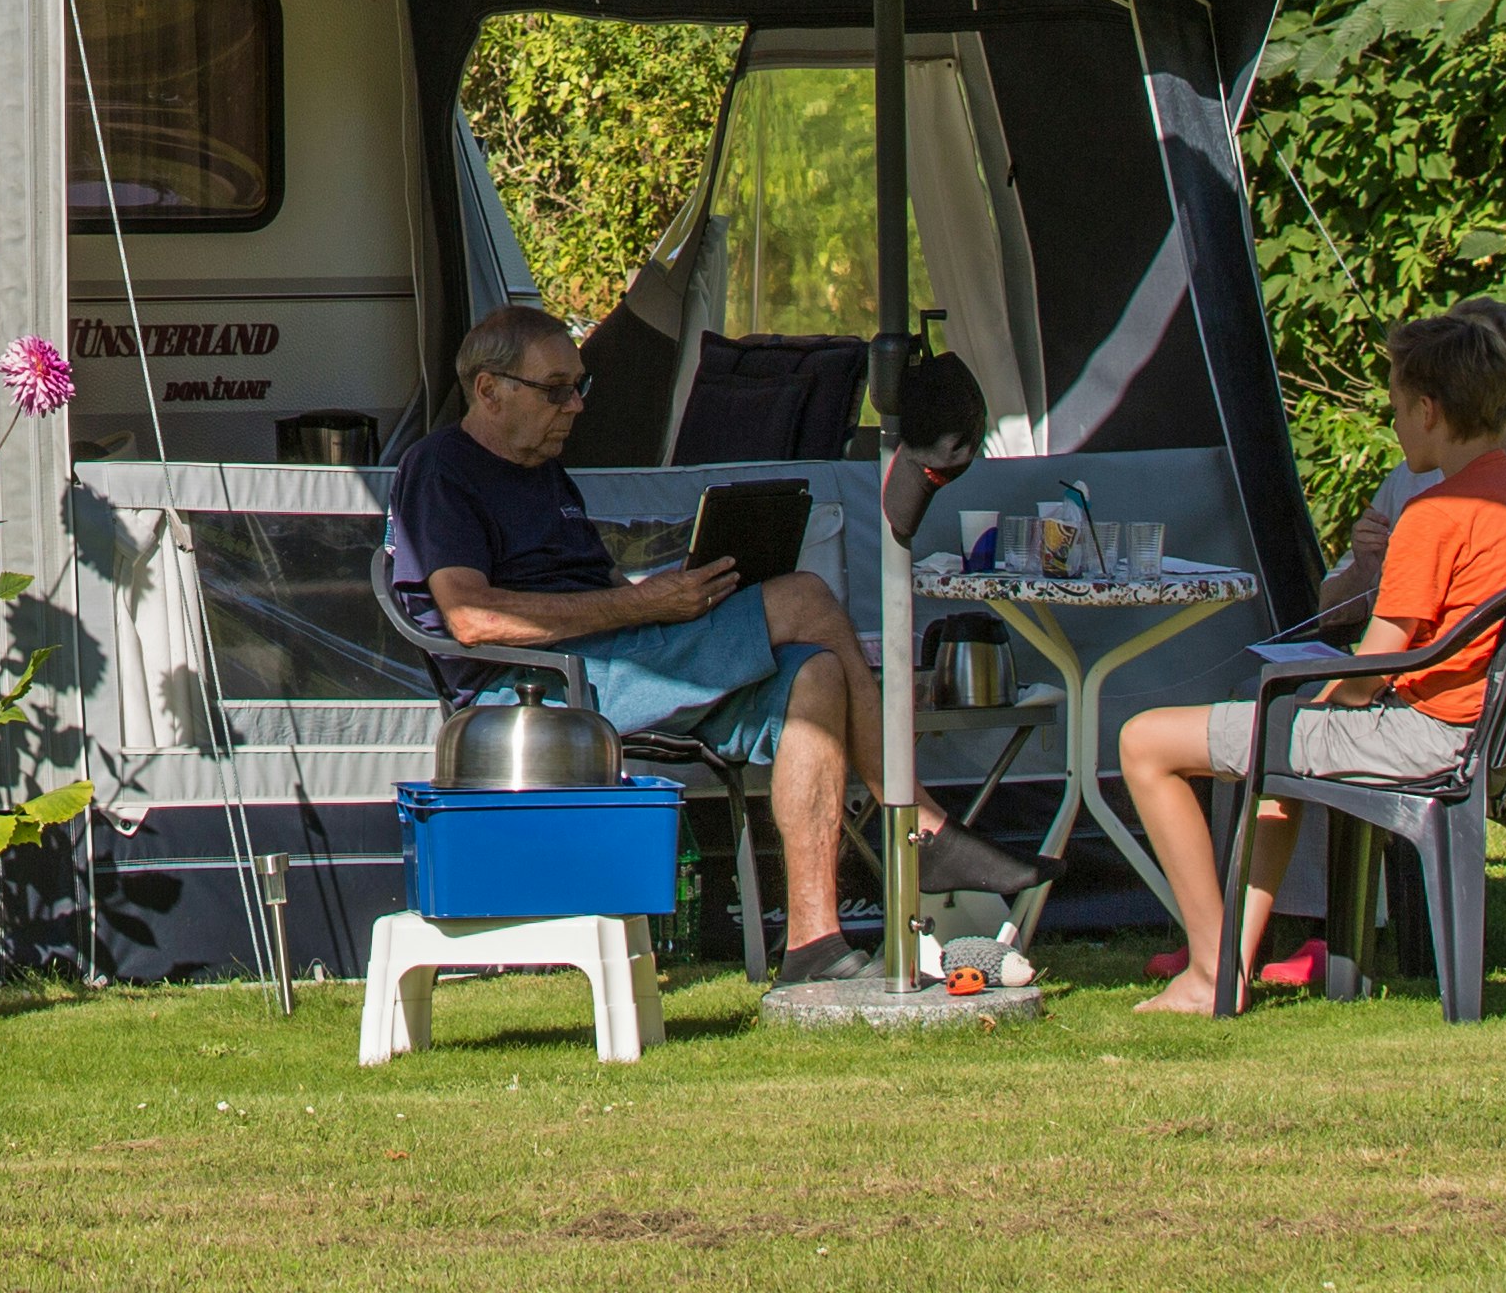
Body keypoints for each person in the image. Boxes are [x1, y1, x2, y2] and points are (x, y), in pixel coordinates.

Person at [385, 300, 1042, 983]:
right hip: (538, 690)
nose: (576, 407)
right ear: (488, 390)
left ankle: (814, 944)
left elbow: (595, 584)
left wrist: (669, 597)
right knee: (806, 599)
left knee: (815, 674)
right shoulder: (441, 469)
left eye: (581, 386)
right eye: (557, 389)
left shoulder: (544, 470)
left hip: (620, 660)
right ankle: (921, 825)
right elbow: (472, 620)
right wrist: (642, 603)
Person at [1116, 307, 1506, 1017]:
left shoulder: (1434, 514)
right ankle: (1235, 959)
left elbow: (1369, 673)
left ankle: (1211, 972)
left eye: (1396, 409)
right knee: (1283, 748)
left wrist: (1303, 709)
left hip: (1429, 737)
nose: (1394, 425)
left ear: (1428, 410)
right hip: (1497, 736)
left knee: (1144, 740)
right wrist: (1297, 723)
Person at [1311, 295, 1506, 631]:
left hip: (1450, 676)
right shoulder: (1411, 475)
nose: (1454, 370)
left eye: (1477, 354)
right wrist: (1364, 569)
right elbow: (1327, 616)